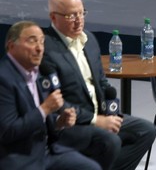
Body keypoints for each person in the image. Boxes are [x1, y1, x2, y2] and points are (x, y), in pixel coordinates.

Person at [42, 0, 156, 170]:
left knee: (145, 130)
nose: (79, 20)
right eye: (71, 16)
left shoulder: (90, 41)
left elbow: (102, 83)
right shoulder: (46, 50)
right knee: (109, 141)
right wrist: (95, 121)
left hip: (101, 114)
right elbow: (55, 103)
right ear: (54, 17)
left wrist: (111, 114)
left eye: (81, 13)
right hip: (69, 126)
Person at [0, 21, 102, 170]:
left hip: (47, 151)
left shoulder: (40, 73)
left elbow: (43, 121)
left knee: (91, 166)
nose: (39, 48)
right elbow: (7, 132)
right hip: (20, 158)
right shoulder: (3, 79)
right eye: (32, 41)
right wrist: (45, 109)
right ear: (11, 46)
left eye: (42, 41)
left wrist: (59, 122)